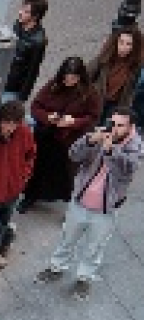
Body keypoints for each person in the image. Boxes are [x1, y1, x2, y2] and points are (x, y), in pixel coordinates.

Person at [36, 108, 142, 298]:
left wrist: (111, 151)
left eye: (120, 125)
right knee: (67, 238)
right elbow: (74, 155)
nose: (114, 129)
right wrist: (89, 141)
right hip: (81, 200)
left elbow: (126, 171)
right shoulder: (100, 133)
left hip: (106, 208)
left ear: (130, 127)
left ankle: (84, 278)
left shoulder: (135, 146)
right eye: (113, 123)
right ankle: (56, 267)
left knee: (94, 247)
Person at [21, 58, 101, 210]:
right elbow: (36, 106)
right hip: (46, 135)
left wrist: (74, 122)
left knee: (67, 173)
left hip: (68, 139)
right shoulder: (53, 85)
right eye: (67, 77)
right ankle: (30, 196)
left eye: (74, 78)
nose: (69, 81)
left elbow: (92, 117)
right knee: (37, 168)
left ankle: (69, 202)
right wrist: (47, 117)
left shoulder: (89, 93)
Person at [0, 100, 37, 267]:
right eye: (6, 122)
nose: (9, 128)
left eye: (14, 124)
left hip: (13, 188)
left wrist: (24, 176)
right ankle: (6, 236)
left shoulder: (24, 133)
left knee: (3, 219)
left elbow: (31, 155)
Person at [88, 24, 144, 119]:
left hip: (115, 107)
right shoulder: (105, 57)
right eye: (121, 42)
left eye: (128, 44)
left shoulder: (136, 66)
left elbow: (131, 92)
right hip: (96, 101)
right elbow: (86, 75)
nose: (123, 47)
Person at [5, 0, 48, 102]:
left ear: (35, 16)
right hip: (3, 79)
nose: (20, 13)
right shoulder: (18, 24)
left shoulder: (38, 41)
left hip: (13, 89)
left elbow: (32, 72)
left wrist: (21, 98)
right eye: (22, 8)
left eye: (26, 12)